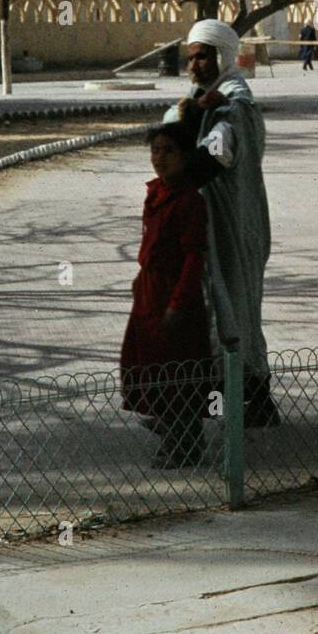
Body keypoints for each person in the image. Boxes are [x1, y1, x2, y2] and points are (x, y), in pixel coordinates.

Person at [163, 19, 279, 426]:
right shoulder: (205, 98)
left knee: (235, 314)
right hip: (209, 228)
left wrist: (187, 127)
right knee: (223, 315)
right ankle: (243, 403)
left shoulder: (233, 105)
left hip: (233, 228)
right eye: (190, 58)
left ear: (223, 57)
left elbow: (215, 156)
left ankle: (249, 403)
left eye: (201, 57)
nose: (193, 66)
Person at [121, 122, 213, 468]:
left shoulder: (189, 201)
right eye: (155, 150)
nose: (159, 158)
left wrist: (178, 303)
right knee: (148, 364)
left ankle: (185, 444)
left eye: (168, 151)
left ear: (186, 157)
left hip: (174, 293)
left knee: (178, 373)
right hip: (149, 290)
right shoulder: (157, 192)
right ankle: (165, 426)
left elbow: (193, 257)